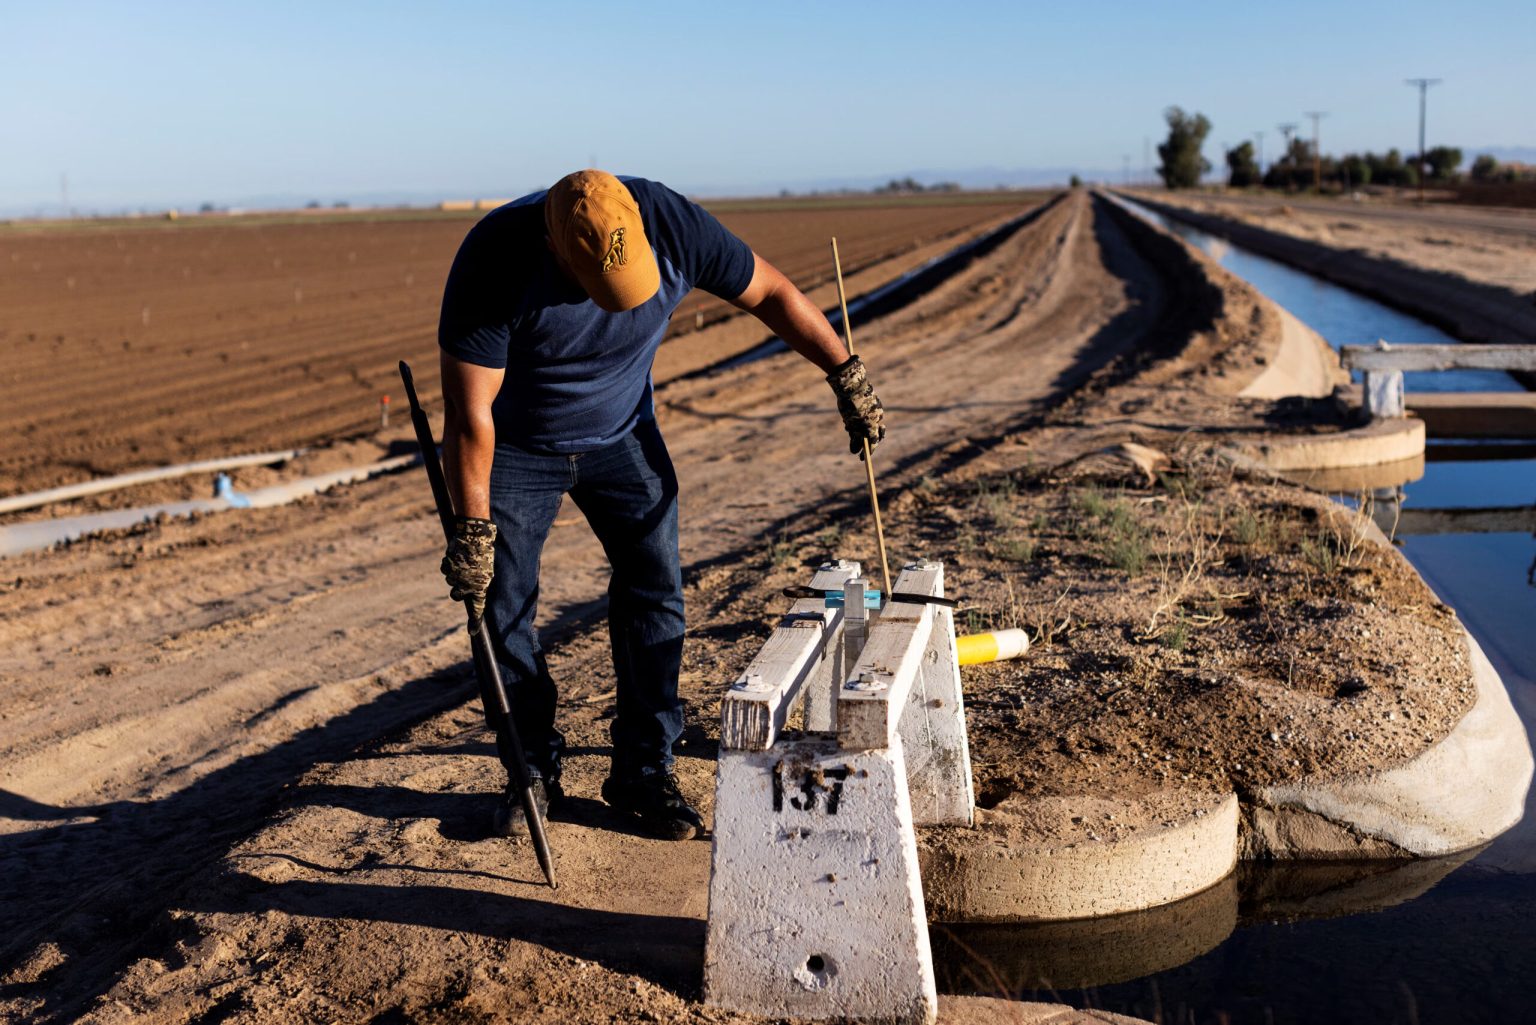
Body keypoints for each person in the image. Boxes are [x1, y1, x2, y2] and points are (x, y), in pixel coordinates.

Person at [437, 169, 885, 840]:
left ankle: (644, 768)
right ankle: (530, 768)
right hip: (517, 449)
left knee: (655, 589)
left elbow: (773, 292)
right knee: (501, 605)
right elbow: (471, 419)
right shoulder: (494, 259)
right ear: (559, 250)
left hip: (624, 436)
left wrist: (843, 372)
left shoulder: (674, 224)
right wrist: (472, 533)